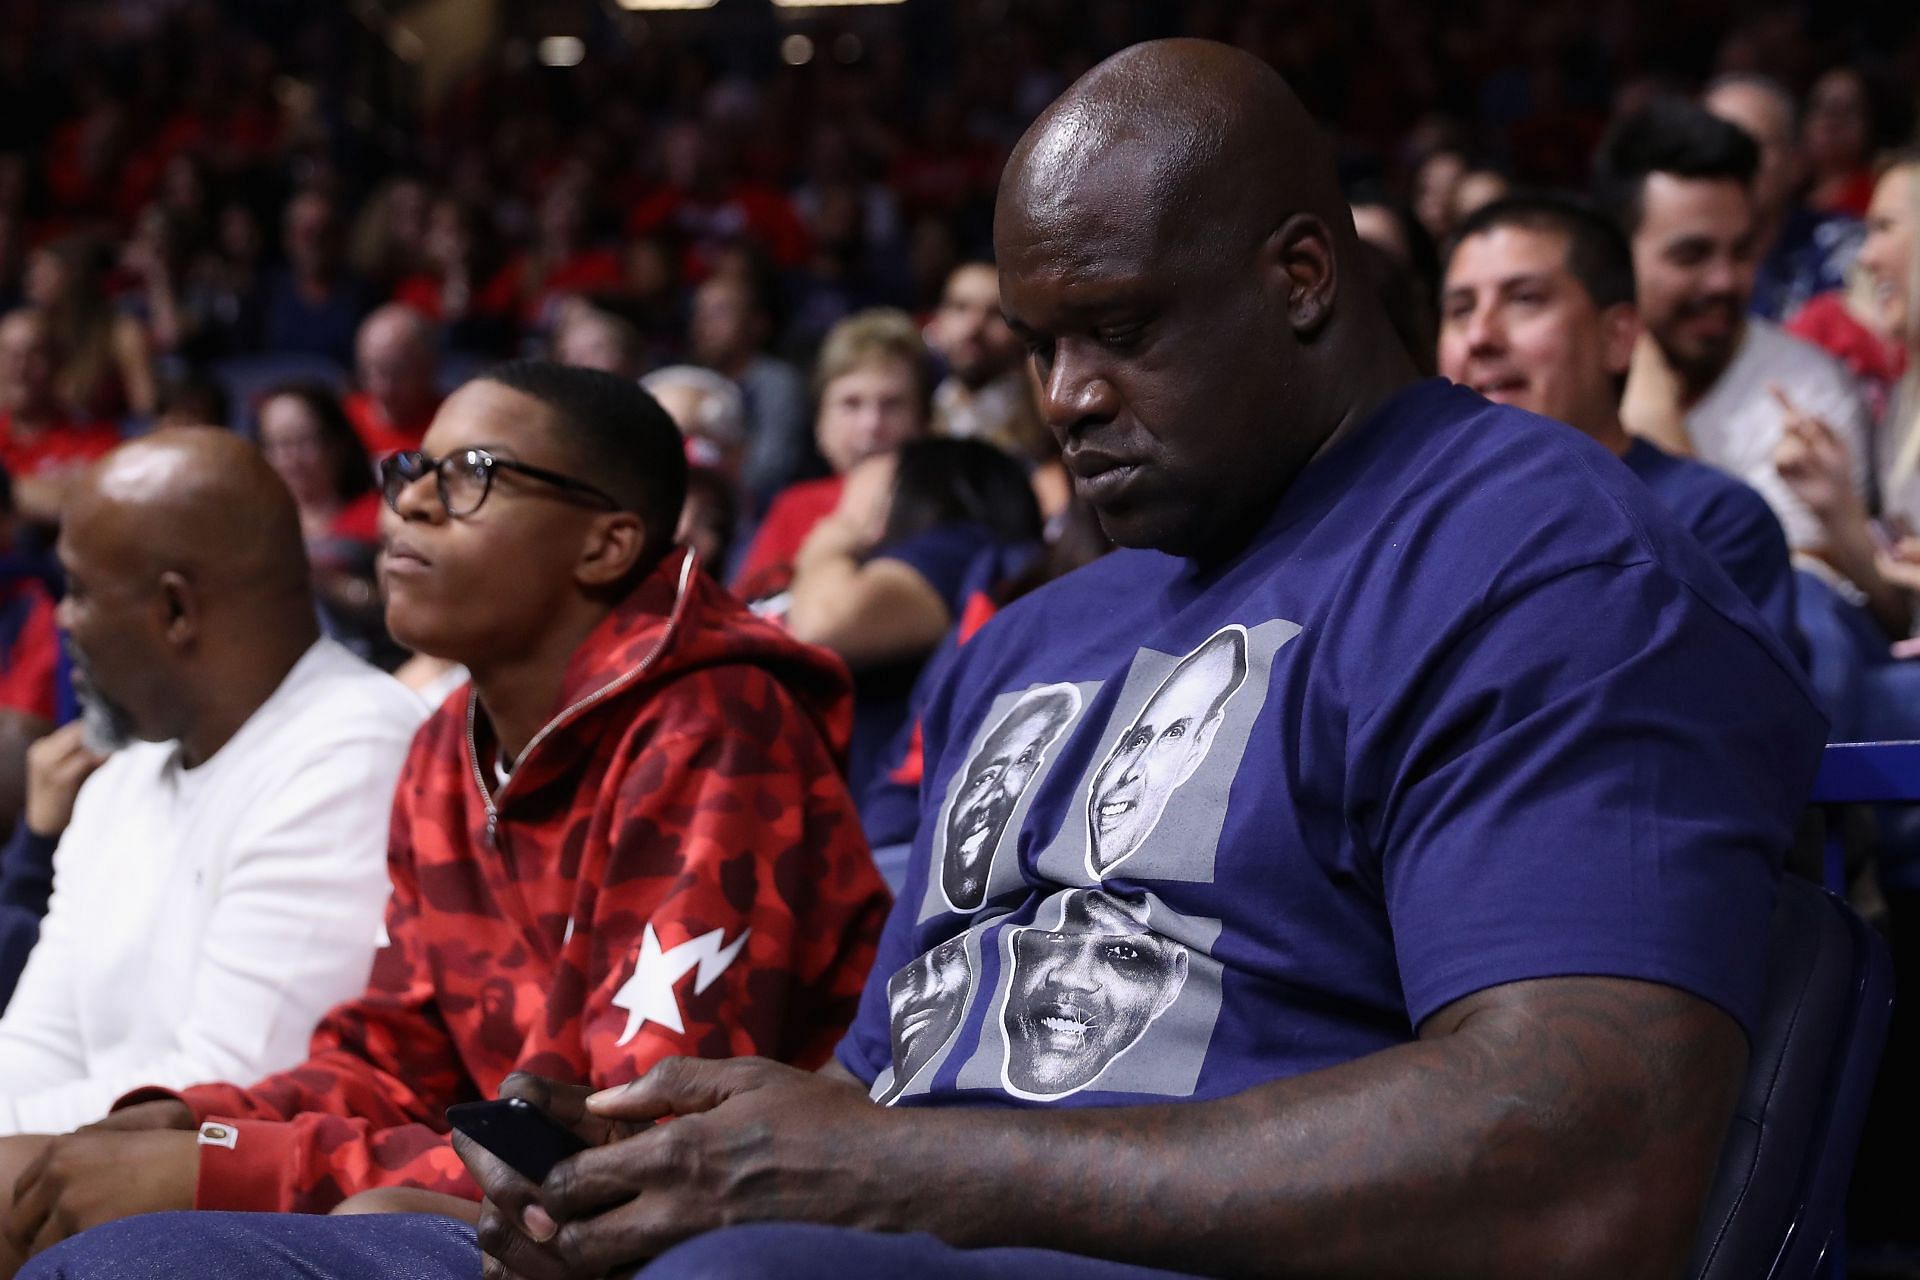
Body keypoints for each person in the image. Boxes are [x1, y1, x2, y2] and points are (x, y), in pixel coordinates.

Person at [22, 40, 1827, 1280]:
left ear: (1300, 273)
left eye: (1120, 330)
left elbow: (1596, 1158)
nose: (1070, 400)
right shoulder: (1041, 630)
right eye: (1042, 346)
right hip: (880, 1231)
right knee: (152, 1256)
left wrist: (886, 1172)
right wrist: (636, 1158)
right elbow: (876, 1102)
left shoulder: (1532, 549)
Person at [0, 363, 889, 1268]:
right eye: (410, 471)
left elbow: (638, 1151)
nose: (410, 504)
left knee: (237, 1237)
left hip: (744, 1239)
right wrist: (206, 1117)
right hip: (525, 1201)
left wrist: (231, 1167)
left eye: (469, 474)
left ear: (606, 545)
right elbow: (397, 1054)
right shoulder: (443, 748)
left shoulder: (716, 727)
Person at [0, 428, 422, 1142]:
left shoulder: (355, 751)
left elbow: (229, 1093)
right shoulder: (122, 777)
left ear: (175, 611)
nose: (63, 619)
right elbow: (38, 1045)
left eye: (78, 591)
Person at [1437, 192, 1802, 653]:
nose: (1480, 336)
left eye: (1524, 299)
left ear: (1618, 337)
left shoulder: (1710, 521)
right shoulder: (1419, 528)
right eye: (1460, 310)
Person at [1597, 96, 1872, 567]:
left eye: (1742, 251)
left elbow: (1764, 611)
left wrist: (1662, 446)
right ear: (1618, 257)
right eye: (1691, 255)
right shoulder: (1563, 382)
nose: (1725, 280)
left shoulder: (1806, 395)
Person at [784, 437, 1043, 798]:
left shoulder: (956, 545)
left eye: (879, 483)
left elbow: (823, 623)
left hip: (874, 823)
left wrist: (829, 544)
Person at [732, 309, 933, 602]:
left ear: (923, 420)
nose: (871, 424)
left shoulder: (943, 506)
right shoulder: (794, 506)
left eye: (892, 404)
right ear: (820, 422)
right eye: (851, 404)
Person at [1703, 73, 1863, 324]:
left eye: (1749, 145)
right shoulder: (1663, 256)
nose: (1729, 160)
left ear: (1795, 161)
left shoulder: (1842, 247)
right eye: (1711, 144)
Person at [254, 382, 394, 666]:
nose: (291, 458)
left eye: (303, 442)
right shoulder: (252, 528)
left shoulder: (379, 517)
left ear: (337, 443)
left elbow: (388, 604)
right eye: (278, 445)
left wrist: (326, 581)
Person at [689, 270, 812, 514]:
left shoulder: (778, 382)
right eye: (700, 314)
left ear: (757, 324)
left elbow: (771, 470)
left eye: (720, 313)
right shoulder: (688, 382)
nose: (706, 326)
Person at [0, 311, 121, 527]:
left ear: (58, 364)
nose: (20, 368)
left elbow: (94, 507)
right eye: (8, 355)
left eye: (34, 354)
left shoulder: (93, 436)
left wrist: (8, 491)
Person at [924, 262, 1051, 464]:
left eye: (994, 313)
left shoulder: (1044, 417)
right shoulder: (921, 411)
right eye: (960, 307)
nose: (973, 327)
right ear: (938, 321)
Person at [21, 238, 154, 422]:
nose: (32, 279)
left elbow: (145, 411)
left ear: (73, 276)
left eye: (44, 271)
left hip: (99, 439)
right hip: (40, 440)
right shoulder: (28, 328)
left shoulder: (121, 332)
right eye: (33, 270)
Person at [259, 192, 368, 367]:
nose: (317, 243)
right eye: (308, 234)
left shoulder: (364, 296)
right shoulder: (265, 295)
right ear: (288, 238)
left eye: (326, 233)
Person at [342, 305, 443, 459]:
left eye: (399, 372)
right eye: (371, 370)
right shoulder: (345, 422)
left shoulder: (450, 421)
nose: (384, 387)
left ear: (428, 367)